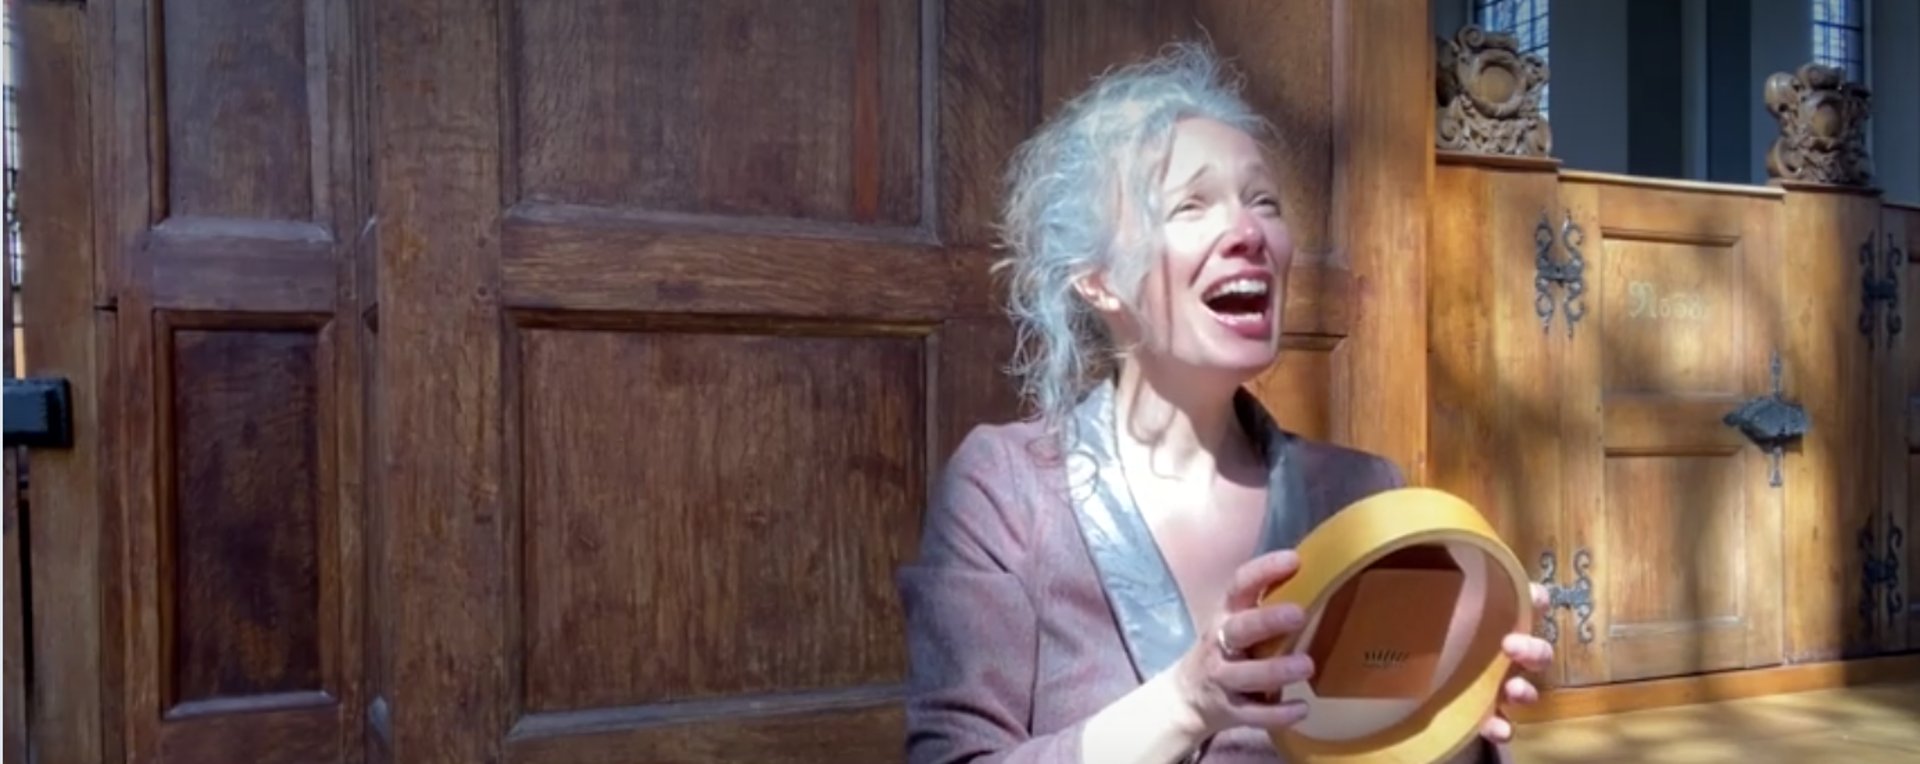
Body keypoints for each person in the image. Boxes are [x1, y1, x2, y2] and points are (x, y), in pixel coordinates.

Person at [896, 42, 1554, 763]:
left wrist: (1456, 721)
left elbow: (1380, 746)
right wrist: (1186, 702)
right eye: (1190, 205)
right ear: (1098, 281)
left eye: (1264, 201)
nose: (1249, 233)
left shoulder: (1363, 494)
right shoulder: (1007, 489)